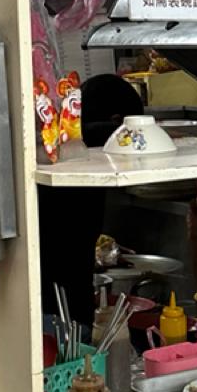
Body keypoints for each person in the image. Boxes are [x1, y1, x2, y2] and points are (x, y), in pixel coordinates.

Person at [38, 74, 145, 327]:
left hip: (45, 297)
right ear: (117, 122)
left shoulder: (56, 144)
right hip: (64, 307)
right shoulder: (91, 141)